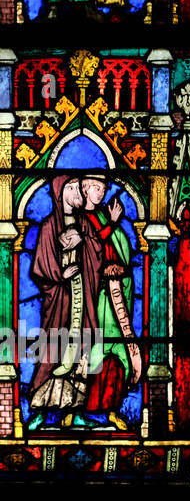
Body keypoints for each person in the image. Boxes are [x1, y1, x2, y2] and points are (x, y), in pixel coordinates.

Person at [28, 176, 103, 428]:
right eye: (71, 187)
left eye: (76, 186)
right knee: (52, 352)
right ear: (60, 194)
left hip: (82, 301)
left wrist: (84, 244)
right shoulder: (49, 226)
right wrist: (60, 275)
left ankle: (76, 410)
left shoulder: (84, 224)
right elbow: (39, 267)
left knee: (80, 355)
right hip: (59, 302)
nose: (76, 191)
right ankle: (39, 410)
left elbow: (97, 256)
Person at [79, 174, 142, 430]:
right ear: (84, 190)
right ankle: (81, 409)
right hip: (93, 298)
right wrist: (113, 224)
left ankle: (112, 410)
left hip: (114, 294)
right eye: (95, 188)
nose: (100, 193)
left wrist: (120, 269)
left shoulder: (105, 218)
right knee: (94, 352)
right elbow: (88, 250)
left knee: (118, 354)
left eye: (103, 188)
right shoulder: (78, 219)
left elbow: (120, 249)